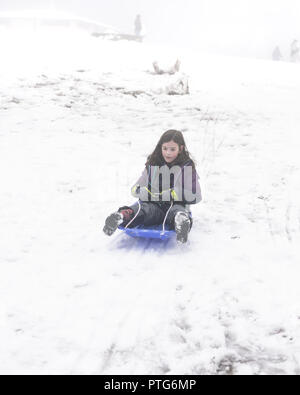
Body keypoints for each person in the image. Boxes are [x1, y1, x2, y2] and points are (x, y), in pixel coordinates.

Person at [103, 130, 202, 244]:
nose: (168, 153)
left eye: (172, 149)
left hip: (174, 204)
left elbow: (196, 196)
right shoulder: (154, 163)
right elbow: (136, 188)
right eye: (165, 148)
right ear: (160, 147)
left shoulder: (186, 167)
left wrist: (173, 194)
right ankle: (120, 216)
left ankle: (181, 222)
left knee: (177, 211)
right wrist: (141, 192)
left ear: (180, 148)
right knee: (143, 209)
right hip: (154, 204)